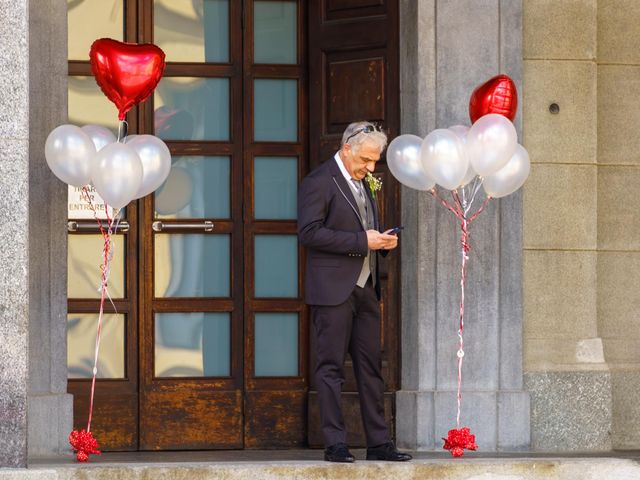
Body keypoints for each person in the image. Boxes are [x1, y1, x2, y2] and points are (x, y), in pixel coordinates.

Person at [298, 121, 412, 463]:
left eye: (375, 161)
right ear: (346, 148)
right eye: (366, 159)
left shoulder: (365, 182)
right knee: (331, 367)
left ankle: (379, 443)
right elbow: (310, 233)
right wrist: (363, 240)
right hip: (332, 290)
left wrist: (382, 242)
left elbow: (361, 229)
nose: (371, 168)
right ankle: (335, 443)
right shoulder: (318, 182)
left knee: (370, 368)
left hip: (366, 288)